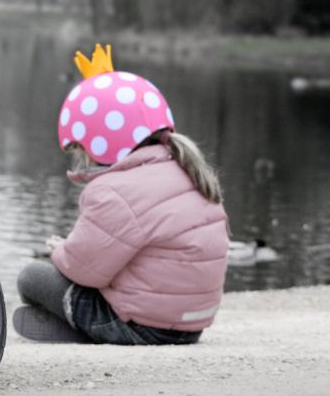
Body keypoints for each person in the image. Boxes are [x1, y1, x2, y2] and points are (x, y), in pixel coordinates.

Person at [13, 44, 229, 345]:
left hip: (145, 326)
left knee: (31, 277)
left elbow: (83, 270)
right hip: (192, 325)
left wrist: (59, 251)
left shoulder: (115, 190)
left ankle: (92, 329)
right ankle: (87, 327)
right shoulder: (188, 169)